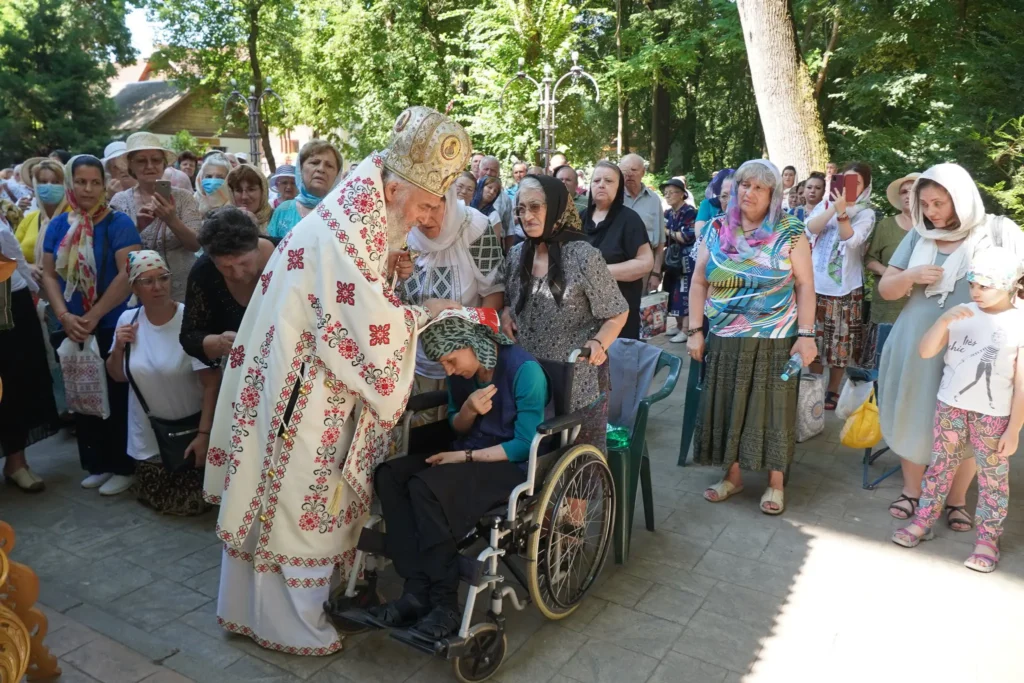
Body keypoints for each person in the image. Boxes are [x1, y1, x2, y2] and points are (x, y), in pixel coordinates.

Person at [201, 106, 468, 655]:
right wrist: (424, 315)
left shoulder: (361, 210)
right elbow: (365, 325)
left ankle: (250, 610)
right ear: (396, 189)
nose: (423, 218)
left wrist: (389, 277)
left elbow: (357, 293)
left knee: (285, 504)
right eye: (422, 205)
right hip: (303, 395)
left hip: (302, 375)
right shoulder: (344, 231)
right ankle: (290, 624)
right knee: (298, 506)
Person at [349, 308, 548, 637]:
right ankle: (416, 591)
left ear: (473, 343)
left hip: (508, 465)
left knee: (425, 488)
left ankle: (444, 603)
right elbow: (456, 424)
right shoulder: (461, 375)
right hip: (467, 451)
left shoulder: (525, 372)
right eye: (442, 363)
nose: (447, 369)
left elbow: (525, 444)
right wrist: (468, 410)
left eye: (451, 360)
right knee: (390, 475)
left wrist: (464, 457)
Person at [878, 163, 1024, 527]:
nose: (931, 212)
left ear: (961, 198)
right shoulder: (919, 236)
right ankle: (913, 490)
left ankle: (956, 499)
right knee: (915, 411)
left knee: (970, 421)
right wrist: (910, 276)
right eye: (924, 204)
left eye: (939, 203)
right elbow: (886, 289)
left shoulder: (996, 232)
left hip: (976, 347)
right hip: (918, 338)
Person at [688, 160, 817, 515]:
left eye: (760, 187)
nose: (749, 192)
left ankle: (776, 483)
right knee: (727, 405)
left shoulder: (790, 230)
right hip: (725, 335)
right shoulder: (716, 229)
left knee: (774, 409)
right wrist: (695, 331)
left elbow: (806, 285)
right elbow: (699, 282)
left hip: (776, 335)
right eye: (745, 185)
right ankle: (733, 476)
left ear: (773, 194)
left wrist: (806, 336)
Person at [891, 248, 1024, 573]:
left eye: (986, 285)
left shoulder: (1018, 322)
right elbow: (925, 351)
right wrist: (942, 321)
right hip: (950, 407)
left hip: (994, 417)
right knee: (939, 468)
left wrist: (1014, 429)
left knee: (994, 478)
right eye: (973, 283)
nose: (977, 292)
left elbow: (1021, 384)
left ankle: (987, 539)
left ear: (1008, 285)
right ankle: (923, 521)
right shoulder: (961, 311)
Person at [501, 174, 627, 448]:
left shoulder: (583, 256)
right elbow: (511, 301)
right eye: (521, 209)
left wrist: (598, 343)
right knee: (530, 460)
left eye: (535, 207)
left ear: (557, 208)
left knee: (574, 466)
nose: (527, 216)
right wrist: (507, 312)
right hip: (529, 377)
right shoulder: (516, 256)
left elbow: (617, 312)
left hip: (576, 377)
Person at [41, 155, 141, 496]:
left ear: (103, 185)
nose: (87, 189)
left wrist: (94, 315)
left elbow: (127, 273)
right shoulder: (58, 225)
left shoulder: (118, 223)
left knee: (116, 395)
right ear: (71, 183)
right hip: (74, 324)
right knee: (83, 395)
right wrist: (65, 316)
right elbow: (48, 274)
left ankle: (123, 465)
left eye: (94, 182)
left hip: (111, 321)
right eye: (81, 181)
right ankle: (97, 463)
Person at [105, 251, 219, 516]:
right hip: (147, 432)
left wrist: (204, 436)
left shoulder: (191, 320)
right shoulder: (128, 321)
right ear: (134, 286)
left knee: (191, 507)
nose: (157, 287)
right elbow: (118, 375)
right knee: (159, 504)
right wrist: (118, 349)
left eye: (163, 278)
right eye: (147, 281)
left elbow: (212, 384)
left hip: (189, 432)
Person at [401, 185, 506, 423]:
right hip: (410, 358)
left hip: (462, 360)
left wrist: (470, 333)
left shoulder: (474, 227)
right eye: (420, 207)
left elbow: (495, 291)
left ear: (448, 200)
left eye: (435, 208)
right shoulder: (403, 228)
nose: (426, 218)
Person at [805, 162, 876, 408]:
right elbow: (811, 228)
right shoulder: (825, 205)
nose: (850, 187)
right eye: (845, 181)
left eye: (856, 183)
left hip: (845, 289)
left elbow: (852, 239)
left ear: (865, 186)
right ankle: (813, 383)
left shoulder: (866, 212)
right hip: (815, 284)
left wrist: (843, 212)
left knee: (839, 342)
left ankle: (833, 388)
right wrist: (832, 207)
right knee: (814, 337)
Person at [0, 207, 58, 492]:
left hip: (7, 300)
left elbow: (15, 260)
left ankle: (16, 462)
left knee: (14, 381)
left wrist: (37, 293)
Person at [109, 132, 202, 303]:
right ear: (131, 165)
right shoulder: (120, 201)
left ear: (164, 164)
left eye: (156, 160)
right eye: (141, 161)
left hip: (185, 291)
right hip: (139, 294)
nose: (149, 166)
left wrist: (172, 220)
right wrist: (137, 229)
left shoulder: (184, 198)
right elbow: (114, 252)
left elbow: (195, 245)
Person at [179, 208, 279, 367]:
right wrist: (219, 343)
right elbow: (189, 336)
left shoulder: (287, 256)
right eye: (226, 267)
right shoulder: (204, 271)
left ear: (257, 246)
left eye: (244, 263)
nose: (238, 274)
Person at [581, 161, 653, 339]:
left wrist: (599, 272)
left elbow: (645, 263)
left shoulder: (629, 220)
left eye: (608, 181)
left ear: (619, 186)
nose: (601, 184)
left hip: (620, 311)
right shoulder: (579, 219)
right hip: (583, 312)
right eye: (596, 180)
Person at [860, 172, 919, 367]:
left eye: (913, 190)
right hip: (888, 308)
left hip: (920, 306)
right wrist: (894, 276)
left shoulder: (933, 228)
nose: (907, 195)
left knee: (912, 367)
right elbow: (869, 259)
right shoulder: (886, 225)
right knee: (881, 366)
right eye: (903, 191)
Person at [267, 140, 342, 238]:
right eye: (315, 162)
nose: (321, 169)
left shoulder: (343, 213)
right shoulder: (282, 211)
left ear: (337, 175)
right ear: (300, 169)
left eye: (329, 166)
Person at [619, 154, 665, 293]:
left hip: (644, 266)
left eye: (634, 170)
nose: (629, 175)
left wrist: (656, 273)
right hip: (617, 264)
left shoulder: (653, 200)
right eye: (624, 171)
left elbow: (660, 241)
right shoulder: (614, 198)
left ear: (643, 172)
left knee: (641, 310)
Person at [661, 178, 698, 343]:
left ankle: (686, 329)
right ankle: (677, 324)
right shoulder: (668, 213)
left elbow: (686, 236)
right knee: (672, 291)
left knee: (685, 292)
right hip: (672, 260)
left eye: (671, 192)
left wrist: (666, 231)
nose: (667, 196)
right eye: (666, 193)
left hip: (686, 260)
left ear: (682, 194)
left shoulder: (690, 212)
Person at [15, 159, 68, 270]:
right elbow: (11, 255)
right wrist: (28, 268)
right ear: (35, 185)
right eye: (43, 182)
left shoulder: (74, 218)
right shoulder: (29, 219)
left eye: (55, 182)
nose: (49, 186)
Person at [477, 156, 514, 245]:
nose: (488, 173)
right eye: (485, 169)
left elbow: (509, 230)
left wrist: (508, 256)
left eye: (493, 170)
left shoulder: (505, 198)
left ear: (498, 174)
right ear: (479, 170)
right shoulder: (469, 190)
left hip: (493, 246)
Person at [226, 163, 273, 232]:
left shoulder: (277, 219)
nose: (244, 197)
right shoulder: (224, 221)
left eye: (251, 189)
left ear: (263, 191)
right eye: (238, 190)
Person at [695, 168, 734, 240]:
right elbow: (700, 236)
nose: (729, 201)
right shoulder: (715, 223)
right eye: (724, 196)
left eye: (734, 194)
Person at [470, 176, 503, 242]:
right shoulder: (467, 204)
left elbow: (495, 244)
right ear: (481, 187)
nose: (491, 192)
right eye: (489, 187)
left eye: (495, 191)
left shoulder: (493, 215)